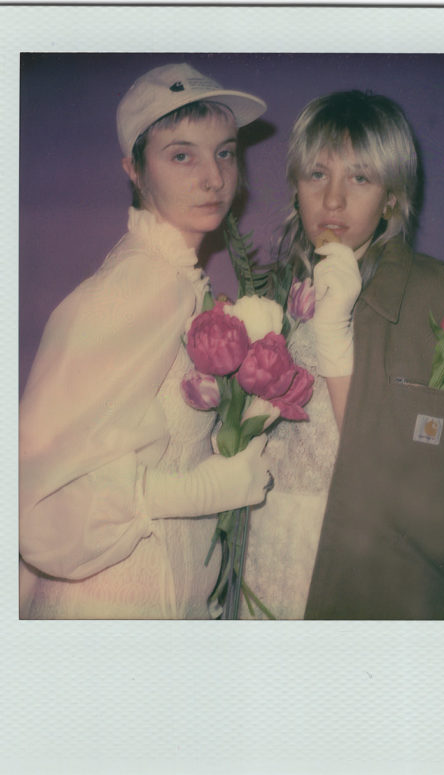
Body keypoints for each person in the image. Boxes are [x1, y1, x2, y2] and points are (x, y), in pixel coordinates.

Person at [242, 89, 444, 620]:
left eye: (360, 178)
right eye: (316, 174)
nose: (333, 200)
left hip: (359, 573)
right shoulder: (272, 297)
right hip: (262, 563)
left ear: (392, 198)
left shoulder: (438, 297)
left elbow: (437, 484)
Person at [19, 62, 273, 619]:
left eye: (225, 152)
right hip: (115, 601)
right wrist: (203, 491)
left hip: (168, 586)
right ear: (134, 170)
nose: (213, 178)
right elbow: (35, 498)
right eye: (182, 155)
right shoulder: (139, 285)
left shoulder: (177, 278)